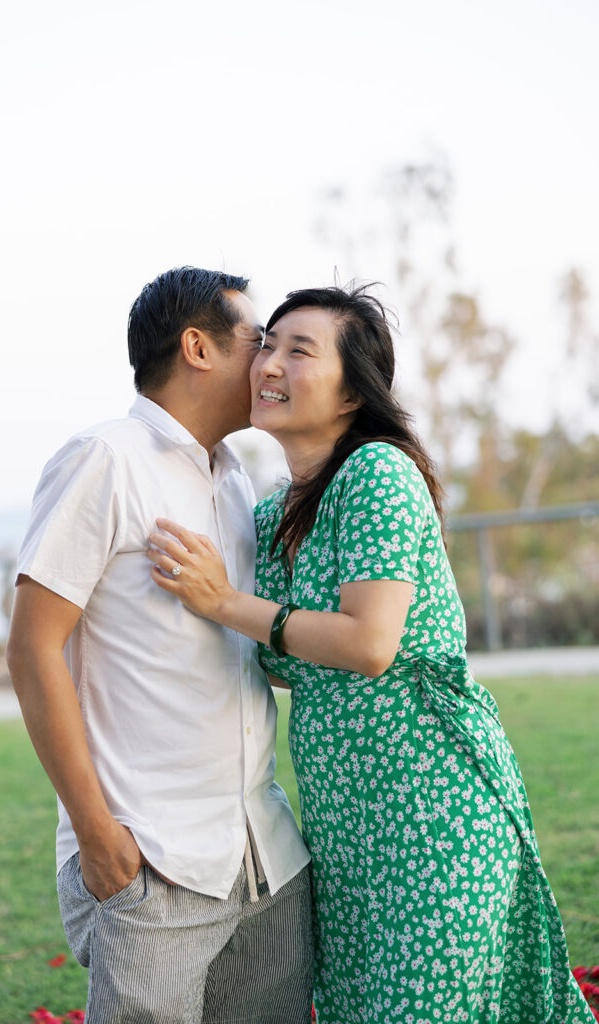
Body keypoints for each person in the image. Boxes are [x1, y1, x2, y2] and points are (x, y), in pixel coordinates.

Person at [146, 283, 594, 1024]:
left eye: (300, 349)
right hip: (349, 840)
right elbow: (273, 651)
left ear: (354, 390)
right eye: (266, 344)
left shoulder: (375, 473)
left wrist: (222, 601)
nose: (269, 363)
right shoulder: (273, 512)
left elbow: (368, 643)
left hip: (436, 816)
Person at [6, 267, 313, 1024]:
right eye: (258, 342)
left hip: (264, 856)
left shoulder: (238, 479)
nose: (270, 365)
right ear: (198, 347)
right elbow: (32, 648)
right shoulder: (104, 460)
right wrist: (96, 837)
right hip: (152, 860)